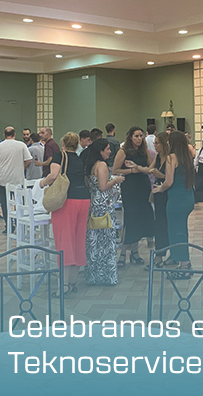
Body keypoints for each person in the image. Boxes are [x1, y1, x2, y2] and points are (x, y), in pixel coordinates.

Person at [39, 132, 90, 296]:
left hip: (67, 201)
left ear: (63, 144)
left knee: (65, 241)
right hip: (84, 199)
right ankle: (73, 282)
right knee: (78, 240)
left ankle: (64, 285)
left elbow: (53, 175)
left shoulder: (59, 156)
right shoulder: (80, 159)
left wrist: (42, 183)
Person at [152, 131, 195, 278]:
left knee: (176, 232)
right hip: (188, 198)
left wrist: (159, 188)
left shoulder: (171, 157)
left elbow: (169, 181)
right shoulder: (187, 157)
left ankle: (185, 266)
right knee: (181, 230)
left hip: (176, 199)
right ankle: (179, 259)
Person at [84, 138, 125, 286]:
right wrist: (115, 180)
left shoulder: (91, 165)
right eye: (107, 149)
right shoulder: (101, 165)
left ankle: (94, 274)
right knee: (106, 241)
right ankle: (106, 275)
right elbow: (103, 186)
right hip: (103, 205)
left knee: (95, 242)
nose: (109, 151)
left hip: (94, 203)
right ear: (100, 151)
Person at [113, 126, 155, 266]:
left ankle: (135, 252)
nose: (139, 139)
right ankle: (123, 253)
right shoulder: (123, 151)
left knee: (140, 219)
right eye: (136, 136)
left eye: (141, 136)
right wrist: (131, 171)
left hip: (143, 186)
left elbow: (149, 167)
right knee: (130, 218)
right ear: (130, 137)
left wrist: (140, 168)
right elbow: (115, 170)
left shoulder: (144, 151)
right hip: (130, 187)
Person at [0, 127, 32, 233]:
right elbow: (29, 160)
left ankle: (9, 226)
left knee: (5, 204)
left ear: (4, 135)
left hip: (3, 179)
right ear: (14, 135)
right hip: (18, 179)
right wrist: (22, 167)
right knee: (20, 203)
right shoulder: (21, 145)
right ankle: (21, 224)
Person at [147, 132, 171, 269]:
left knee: (165, 223)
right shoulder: (157, 156)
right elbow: (149, 168)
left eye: (157, 143)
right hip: (158, 192)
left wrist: (161, 175)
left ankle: (163, 254)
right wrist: (135, 168)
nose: (155, 145)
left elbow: (171, 178)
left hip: (166, 192)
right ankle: (160, 253)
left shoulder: (170, 158)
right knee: (159, 222)